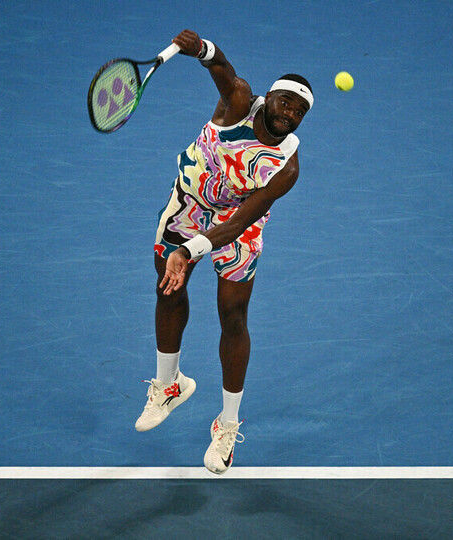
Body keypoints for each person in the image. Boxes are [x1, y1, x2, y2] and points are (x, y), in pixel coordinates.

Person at [134, 29, 312, 475]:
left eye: (300, 111)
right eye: (286, 102)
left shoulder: (286, 167)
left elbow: (238, 222)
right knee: (168, 289)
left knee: (233, 316)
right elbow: (221, 68)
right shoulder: (238, 102)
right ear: (269, 97)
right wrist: (201, 48)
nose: (290, 113)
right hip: (189, 204)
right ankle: (169, 384)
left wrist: (189, 250)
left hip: (237, 224)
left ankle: (227, 425)